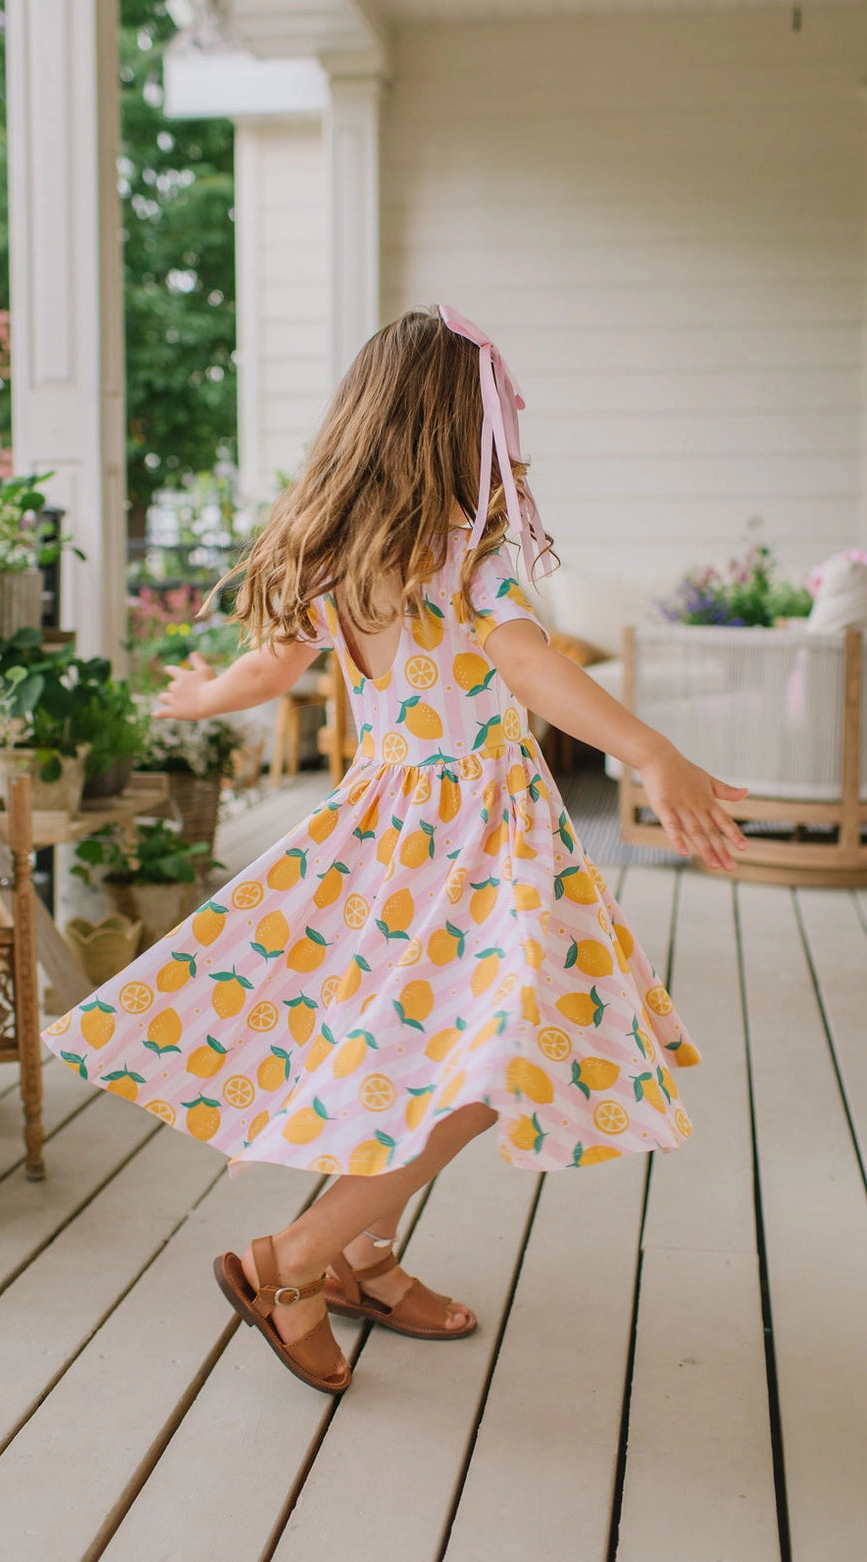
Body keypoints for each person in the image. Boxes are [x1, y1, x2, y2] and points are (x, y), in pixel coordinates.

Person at [42, 305, 747, 1398]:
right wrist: (646, 749)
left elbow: (268, 670)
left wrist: (201, 694)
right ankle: (294, 1261)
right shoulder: (465, 553)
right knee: (476, 1073)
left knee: (403, 1053)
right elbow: (524, 664)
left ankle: (365, 1258)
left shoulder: (337, 553)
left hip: (384, 835)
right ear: (454, 429)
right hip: (471, 837)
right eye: (491, 421)